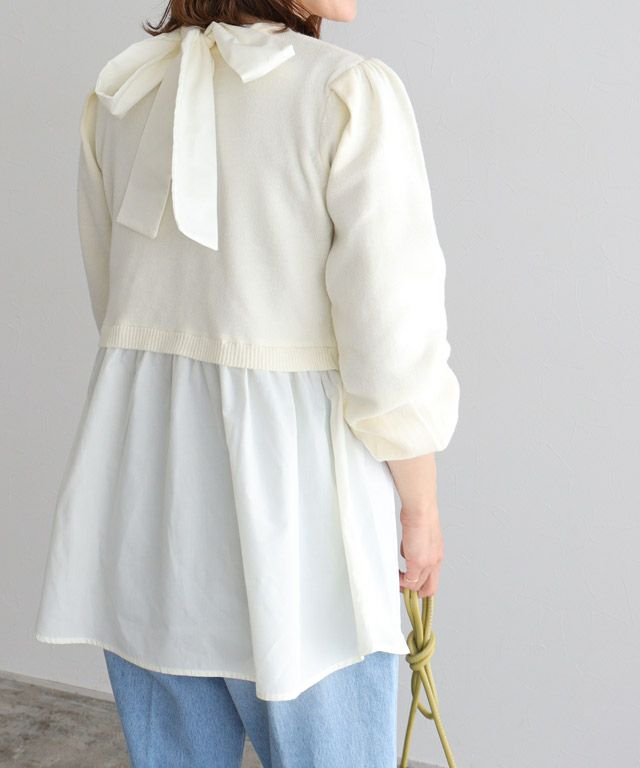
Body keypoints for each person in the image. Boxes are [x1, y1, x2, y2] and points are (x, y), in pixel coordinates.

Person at [34, 0, 461, 765]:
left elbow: (114, 303)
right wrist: (420, 508)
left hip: (143, 494)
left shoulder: (124, 91)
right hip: (299, 511)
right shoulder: (346, 92)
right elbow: (391, 337)